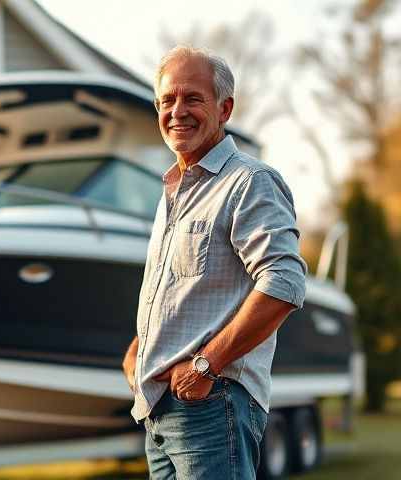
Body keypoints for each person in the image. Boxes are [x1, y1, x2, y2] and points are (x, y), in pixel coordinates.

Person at [121, 46, 307, 479]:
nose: (177, 111)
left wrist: (206, 365)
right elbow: (183, 292)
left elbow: (284, 281)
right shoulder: (173, 190)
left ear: (224, 109)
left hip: (211, 404)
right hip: (161, 411)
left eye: (192, 98)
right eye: (167, 100)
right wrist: (140, 347)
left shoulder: (249, 182)